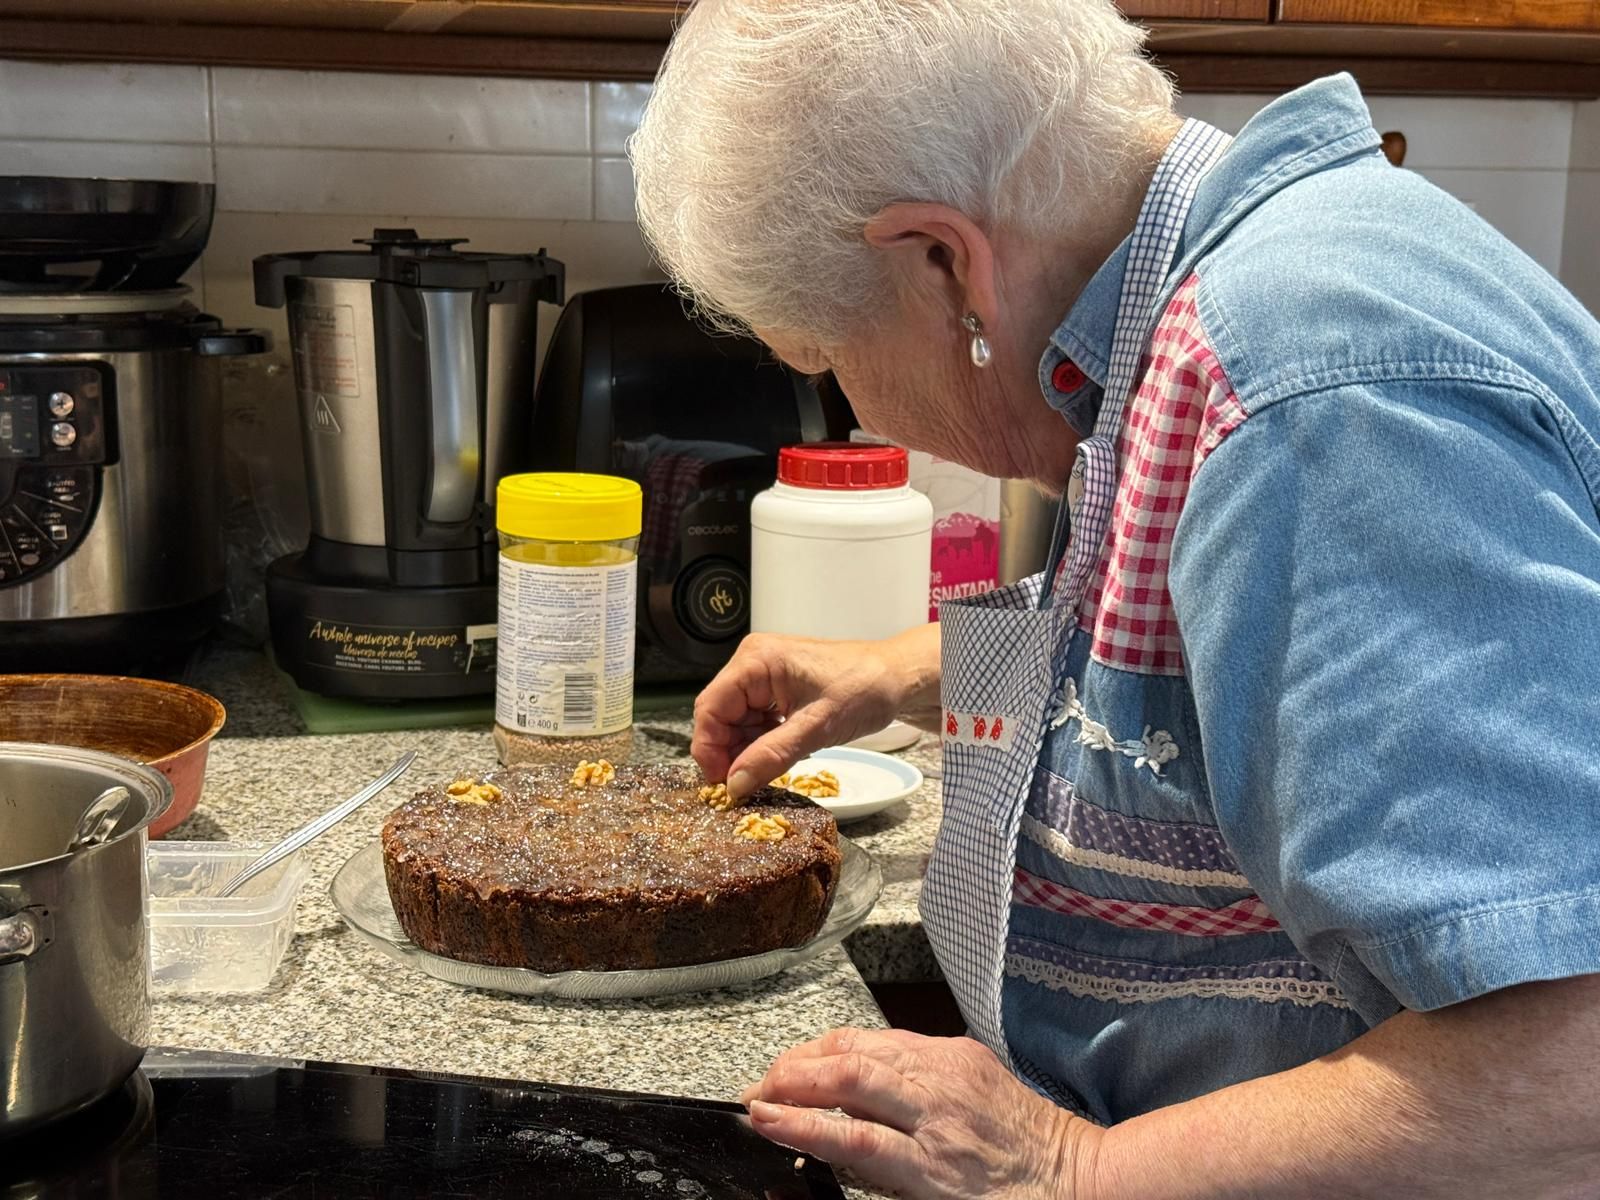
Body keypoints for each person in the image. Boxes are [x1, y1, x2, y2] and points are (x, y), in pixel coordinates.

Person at [627, 1, 1600, 1195]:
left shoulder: (1302, 390)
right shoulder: (1203, 309)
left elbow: (1568, 1058)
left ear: (944, 264)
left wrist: (1067, 1168)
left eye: (830, 363)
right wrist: (906, 669)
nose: (857, 411)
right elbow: (1233, 667)